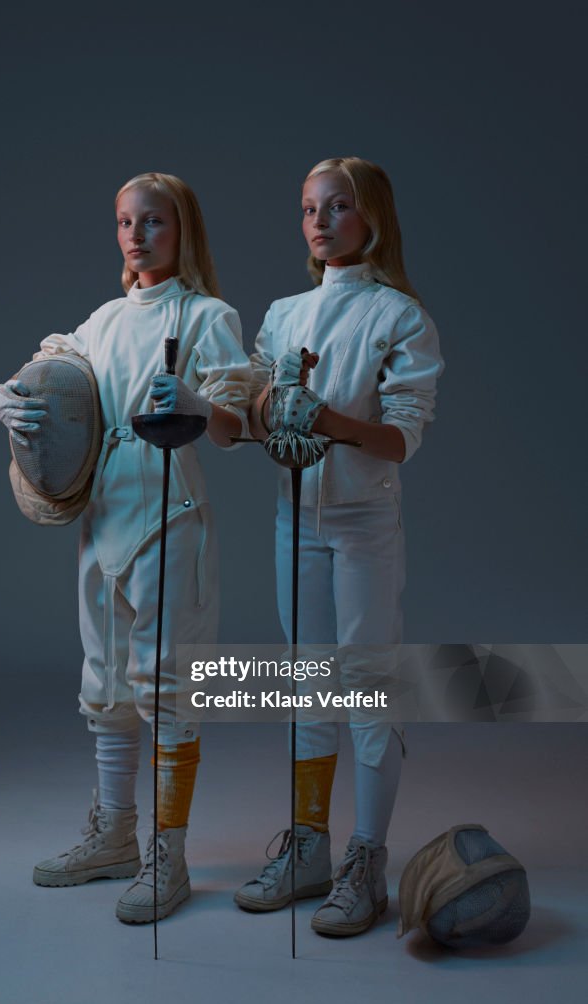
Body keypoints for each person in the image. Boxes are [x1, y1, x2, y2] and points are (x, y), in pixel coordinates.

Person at [0, 172, 251, 923]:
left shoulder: (207, 317)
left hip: (168, 514)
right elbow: (51, 370)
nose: (137, 234)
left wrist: (202, 406)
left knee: (165, 686)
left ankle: (168, 853)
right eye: (125, 221)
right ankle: (114, 839)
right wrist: (5, 394)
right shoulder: (101, 321)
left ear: (184, 230)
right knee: (105, 683)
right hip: (102, 515)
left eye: (155, 222)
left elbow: (236, 421)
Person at [234, 157, 444, 936]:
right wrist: (224, 405)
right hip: (296, 524)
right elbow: (248, 416)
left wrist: (325, 418)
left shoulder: (399, 316)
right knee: (308, 689)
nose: (319, 222)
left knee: (364, 690)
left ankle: (367, 860)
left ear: (372, 217)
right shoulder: (285, 313)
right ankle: (311, 848)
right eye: (308, 209)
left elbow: (398, 440)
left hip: (362, 528)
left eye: (338, 207)